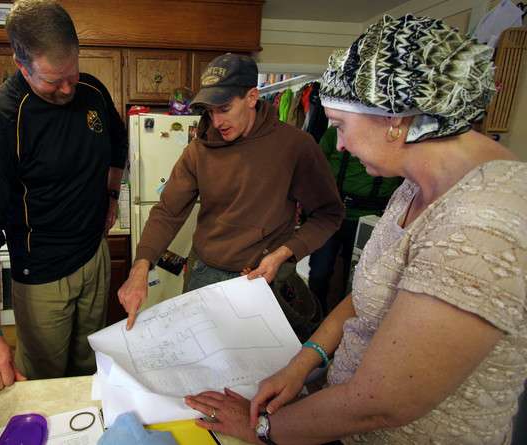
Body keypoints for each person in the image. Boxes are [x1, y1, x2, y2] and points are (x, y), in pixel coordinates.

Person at [184, 14, 527, 445]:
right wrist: (305, 361)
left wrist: (263, 429)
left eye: (342, 126)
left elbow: (381, 402)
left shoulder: (485, 225)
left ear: (395, 119)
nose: (339, 145)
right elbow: (367, 294)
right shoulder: (413, 187)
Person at [0, 0, 127, 392]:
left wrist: (111, 194)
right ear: (21, 65)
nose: (67, 88)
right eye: (52, 80)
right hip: (43, 276)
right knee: (45, 381)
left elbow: (118, 143)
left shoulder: (91, 89)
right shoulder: (1, 117)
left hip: (94, 256)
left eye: (71, 73)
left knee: (89, 367)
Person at [118, 53, 344, 335]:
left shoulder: (296, 147)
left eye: (224, 108)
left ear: (251, 97)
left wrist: (284, 254)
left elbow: (329, 215)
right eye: (210, 111)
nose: (216, 121)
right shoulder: (199, 150)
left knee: (265, 367)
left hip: (266, 277)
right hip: (205, 273)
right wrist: (140, 267)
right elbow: (168, 212)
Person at [308, 126, 402, 315]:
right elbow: (314, 168)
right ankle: (315, 316)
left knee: (358, 279)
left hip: (372, 218)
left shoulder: (394, 139)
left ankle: (344, 319)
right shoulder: (334, 134)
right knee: (319, 273)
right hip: (331, 215)